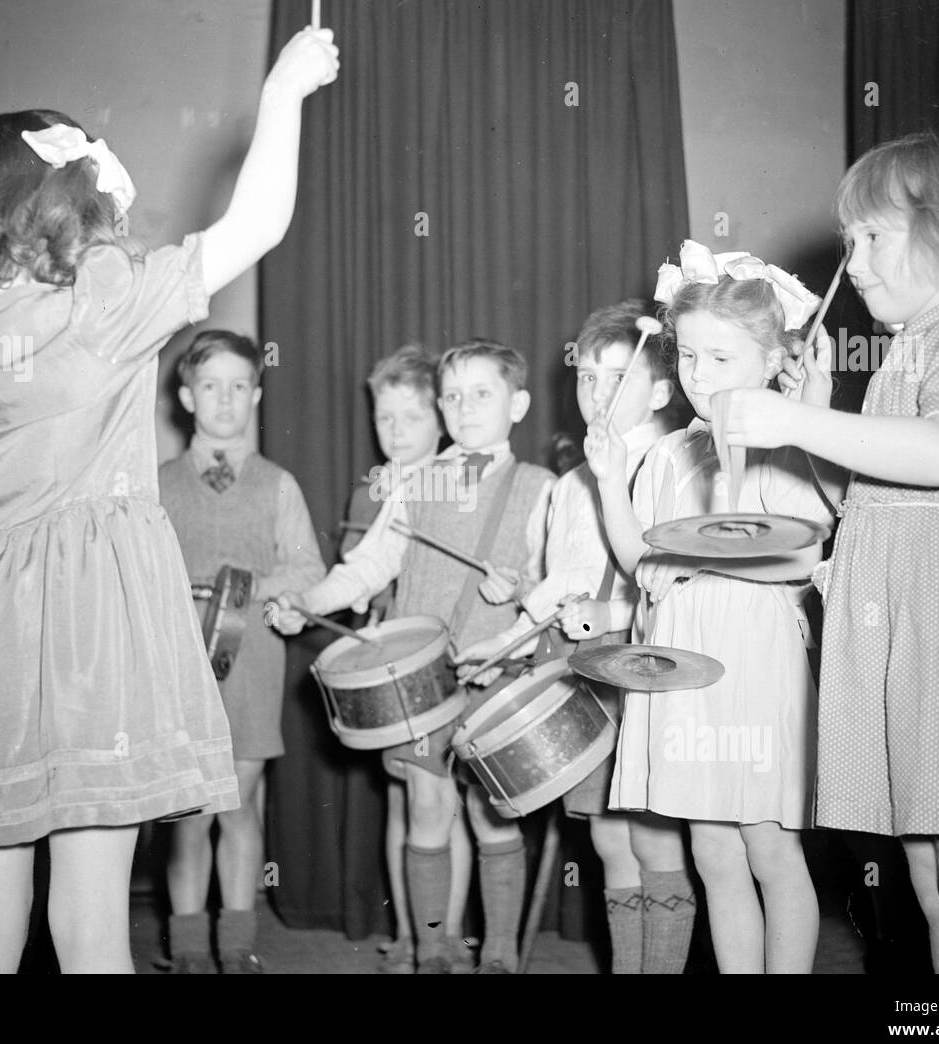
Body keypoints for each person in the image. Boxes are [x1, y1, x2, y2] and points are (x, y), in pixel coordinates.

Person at [0, 27, 339, 973]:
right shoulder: (99, 307)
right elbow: (258, 225)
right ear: (72, 209)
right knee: (90, 930)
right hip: (91, 631)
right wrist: (281, 93)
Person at [717, 128, 939, 973]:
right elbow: (877, 510)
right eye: (850, 241)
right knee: (930, 882)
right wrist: (817, 429)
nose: (856, 258)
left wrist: (796, 420)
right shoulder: (902, 353)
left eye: (873, 236)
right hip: (915, 646)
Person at [270, 339, 553, 973]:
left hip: (496, 675)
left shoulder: (543, 488)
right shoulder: (415, 483)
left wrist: (525, 595)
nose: (465, 408)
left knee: (493, 818)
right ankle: (431, 950)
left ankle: (502, 954)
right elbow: (368, 565)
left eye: (482, 394)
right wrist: (308, 597)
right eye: (452, 396)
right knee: (426, 809)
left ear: (518, 404)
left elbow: (559, 589)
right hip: (421, 684)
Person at [588, 241, 832, 972]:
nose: (698, 376)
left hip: (754, 659)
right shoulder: (667, 457)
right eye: (687, 357)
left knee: (768, 846)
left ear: (768, 361)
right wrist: (607, 482)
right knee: (712, 847)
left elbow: (802, 558)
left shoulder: (787, 444)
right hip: (686, 662)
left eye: (720, 360)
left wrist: (692, 559)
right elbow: (641, 565)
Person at [459, 300, 695, 973]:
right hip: (576, 673)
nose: (595, 393)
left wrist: (597, 619)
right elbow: (560, 586)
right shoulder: (566, 486)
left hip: (638, 674)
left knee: (656, 844)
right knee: (611, 844)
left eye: (616, 378)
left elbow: (659, 586)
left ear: (658, 391)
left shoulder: (670, 464)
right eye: (587, 377)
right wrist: (505, 640)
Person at [159, 328, 325, 973]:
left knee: (237, 806)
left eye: (238, 387)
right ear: (185, 396)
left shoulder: (278, 483)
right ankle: (189, 949)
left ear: (255, 393)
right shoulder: (158, 485)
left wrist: (248, 586)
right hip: (180, 669)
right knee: (189, 816)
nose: (224, 401)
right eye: (209, 387)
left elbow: (308, 569)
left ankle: (236, 944)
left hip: (250, 663)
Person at [340, 344, 473, 974]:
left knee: (443, 804)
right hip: (390, 670)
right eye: (384, 418)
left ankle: (442, 937)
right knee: (404, 801)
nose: (395, 432)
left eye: (410, 418)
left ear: (440, 422)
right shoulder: (371, 490)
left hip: (440, 665)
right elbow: (361, 578)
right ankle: (408, 932)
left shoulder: (450, 483)